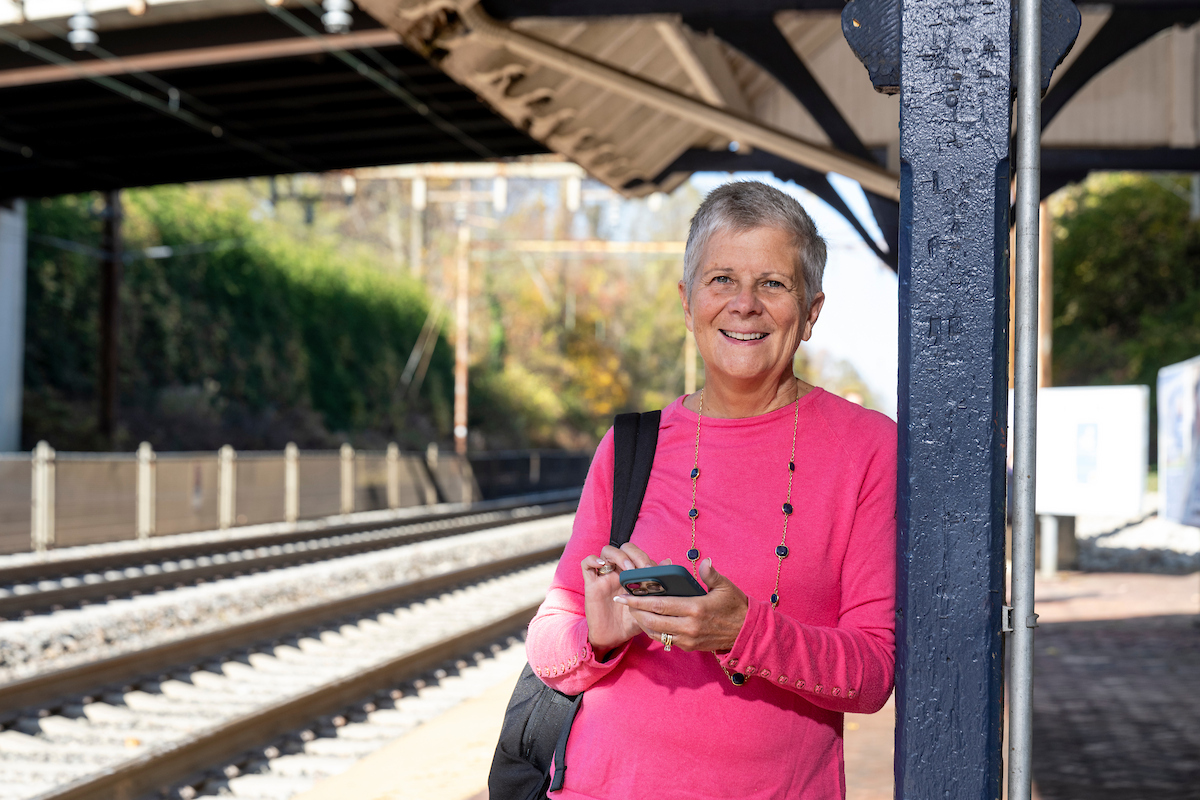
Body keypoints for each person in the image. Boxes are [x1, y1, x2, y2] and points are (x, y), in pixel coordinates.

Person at [525, 181, 897, 799]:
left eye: (773, 284)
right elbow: (549, 641)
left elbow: (873, 673)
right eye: (721, 279)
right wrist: (598, 635)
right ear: (687, 299)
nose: (744, 304)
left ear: (811, 312)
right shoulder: (629, 446)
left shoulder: (869, 448)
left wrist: (745, 633)